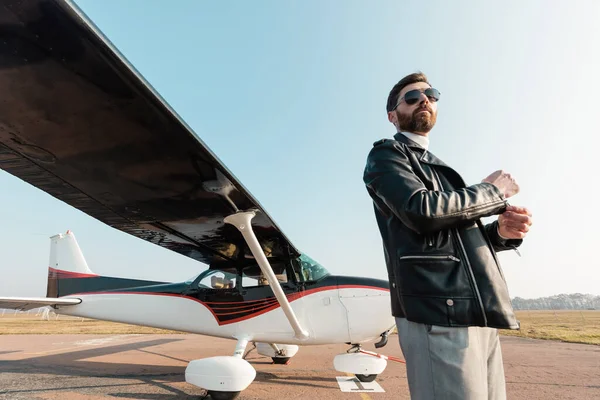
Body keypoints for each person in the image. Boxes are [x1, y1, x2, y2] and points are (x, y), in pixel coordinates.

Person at [363, 72, 533, 400]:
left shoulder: (439, 170)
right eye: (412, 97)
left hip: (477, 312)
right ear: (392, 115)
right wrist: (490, 192)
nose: (424, 99)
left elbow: (453, 237)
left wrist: (500, 233)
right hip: (438, 311)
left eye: (431, 94)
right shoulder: (386, 156)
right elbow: (420, 210)